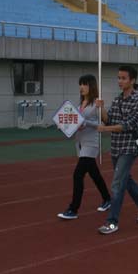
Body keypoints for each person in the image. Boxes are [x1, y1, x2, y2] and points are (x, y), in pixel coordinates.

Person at [96, 66, 138, 235]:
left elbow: (129, 125)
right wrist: (101, 108)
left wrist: (105, 129)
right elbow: (109, 120)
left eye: (123, 78)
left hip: (129, 147)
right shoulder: (117, 100)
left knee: (117, 184)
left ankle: (112, 222)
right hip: (116, 147)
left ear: (132, 80)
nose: (120, 81)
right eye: (118, 78)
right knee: (125, 180)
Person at [58, 75, 111, 220]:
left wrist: (100, 109)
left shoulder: (96, 103)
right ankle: (107, 198)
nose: (81, 87)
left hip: (91, 143)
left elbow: (105, 122)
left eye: (85, 84)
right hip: (80, 143)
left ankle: (73, 209)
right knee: (94, 174)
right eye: (80, 84)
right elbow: (76, 122)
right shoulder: (80, 104)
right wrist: (64, 125)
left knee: (78, 175)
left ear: (91, 86)